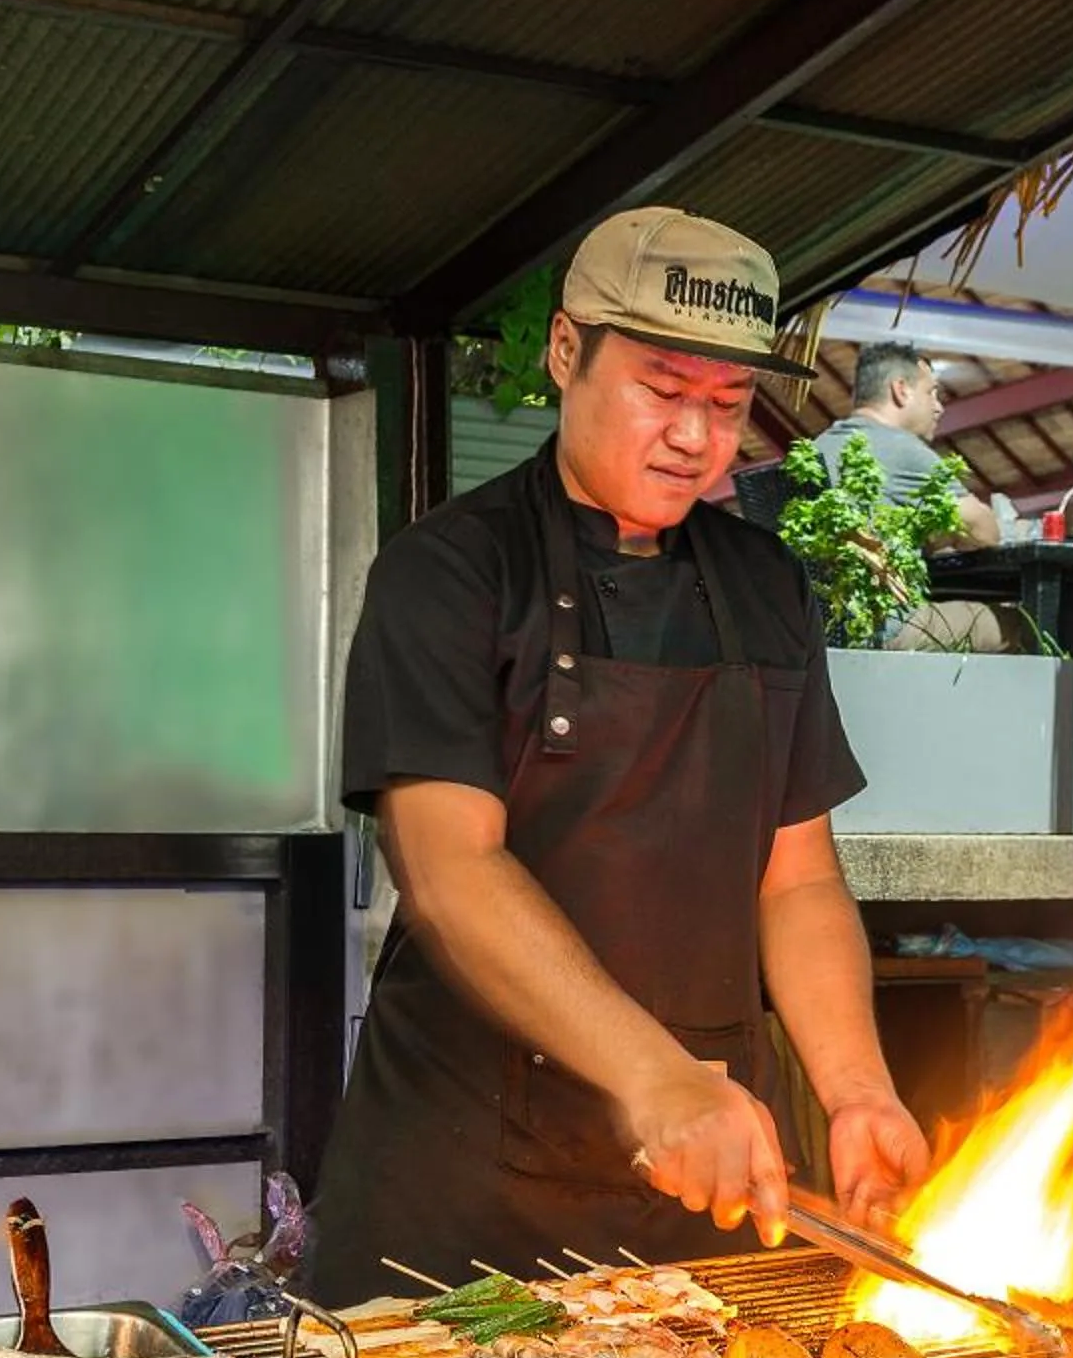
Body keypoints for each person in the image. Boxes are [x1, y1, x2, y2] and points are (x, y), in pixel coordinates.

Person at [316, 207, 932, 1301]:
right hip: (465, 1203)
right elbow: (453, 871)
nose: (697, 437)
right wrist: (654, 1076)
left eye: (728, 403)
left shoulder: (767, 587)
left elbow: (797, 879)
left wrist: (856, 1092)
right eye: (662, 387)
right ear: (568, 352)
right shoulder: (449, 573)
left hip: (705, 1192)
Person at [811, 340, 1000, 548]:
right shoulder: (901, 449)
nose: (938, 408)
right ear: (901, 390)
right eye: (930, 393)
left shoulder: (818, 448)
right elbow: (984, 533)